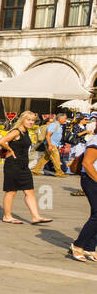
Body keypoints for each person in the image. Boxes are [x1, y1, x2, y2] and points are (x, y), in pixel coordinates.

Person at [0, 110, 51, 225]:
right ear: (22, 120)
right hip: (13, 165)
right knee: (11, 191)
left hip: (23, 165)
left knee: (29, 191)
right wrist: (10, 150)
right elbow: (1, 141)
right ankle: (7, 216)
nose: (31, 122)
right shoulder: (16, 132)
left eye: (33, 120)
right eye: (29, 120)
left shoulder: (25, 132)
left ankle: (36, 216)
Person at [69, 126, 97, 261]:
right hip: (92, 180)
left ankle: (90, 247)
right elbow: (87, 163)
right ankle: (78, 245)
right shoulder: (95, 141)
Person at [32, 111, 67, 177]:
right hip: (51, 144)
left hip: (54, 144)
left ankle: (35, 170)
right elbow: (48, 135)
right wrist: (50, 145)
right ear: (60, 118)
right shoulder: (53, 125)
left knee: (45, 158)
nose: (65, 120)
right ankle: (59, 172)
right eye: (65, 118)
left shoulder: (59, 125)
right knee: (56, 157)